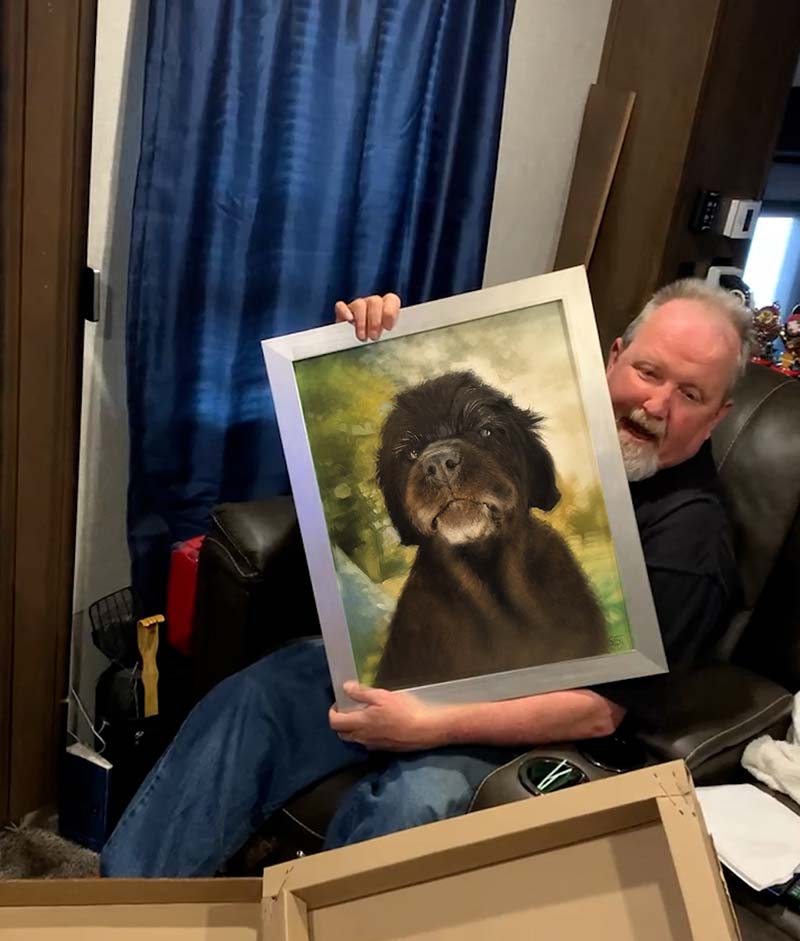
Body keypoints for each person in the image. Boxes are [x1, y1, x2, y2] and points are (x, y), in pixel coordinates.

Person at [100, 278, 748, 877]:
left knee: (414, 804)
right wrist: (370, 341)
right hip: (404, 659)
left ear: (717, 415)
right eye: (647, 371)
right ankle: (118, 914)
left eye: (690, 394)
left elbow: (601, 711)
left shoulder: (691, 541)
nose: (655, 403)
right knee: (255, 697)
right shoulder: (538, 395)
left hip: (514, 723)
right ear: (614, 356)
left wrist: (429, 724)